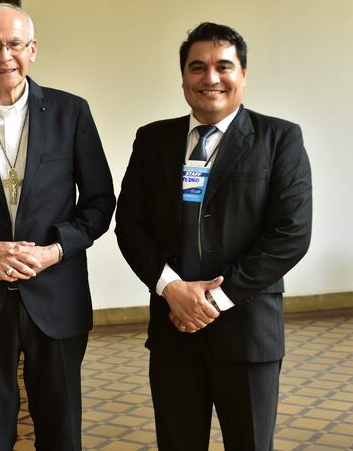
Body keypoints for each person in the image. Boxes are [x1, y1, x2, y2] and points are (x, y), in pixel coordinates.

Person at [115, 22, 313, 451]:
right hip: (173, 330)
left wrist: (212, 300)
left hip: (247, 332)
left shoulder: (279, 138)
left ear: (243, 74)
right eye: (197, 67)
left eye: (224, 66)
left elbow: (290, 234)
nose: (211, 78)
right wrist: (172, 290)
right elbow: (130, 226)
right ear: (183, 76)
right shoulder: (152, 140)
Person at [0, 3, 115, 451]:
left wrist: (53, 251)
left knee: (60, 428)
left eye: (13, 43)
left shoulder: (72, 113)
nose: (3, 54)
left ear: (33, 49)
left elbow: (99, 202)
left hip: (56, 293)